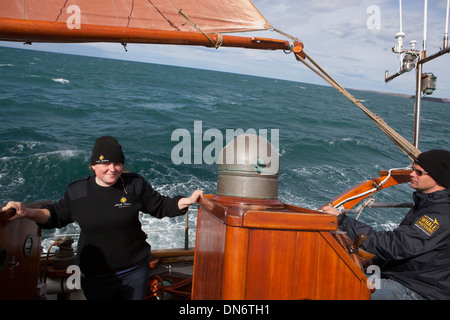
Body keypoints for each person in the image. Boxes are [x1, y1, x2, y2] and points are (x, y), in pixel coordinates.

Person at [2, 136, 203, 300]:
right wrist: (27, 211)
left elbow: (160, 205)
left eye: (117, 163)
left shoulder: (134, 184)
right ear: (93, 166)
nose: (112, 168)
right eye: (105, 163)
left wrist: (185, 202)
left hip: (134, 269)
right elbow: (55, 215)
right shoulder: (78, 191)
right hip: (95, 274)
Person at [322, 149, 450, 300]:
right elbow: (410, 250)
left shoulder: (438, 215)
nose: (411, 174)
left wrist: (342, 221)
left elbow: (397, 245)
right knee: (329, 274)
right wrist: (373, 261)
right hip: (400, 274)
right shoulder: (428, 202)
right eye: (412, 169)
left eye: (419, 172)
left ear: (438, 177)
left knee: (334, 290)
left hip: (417, 288)